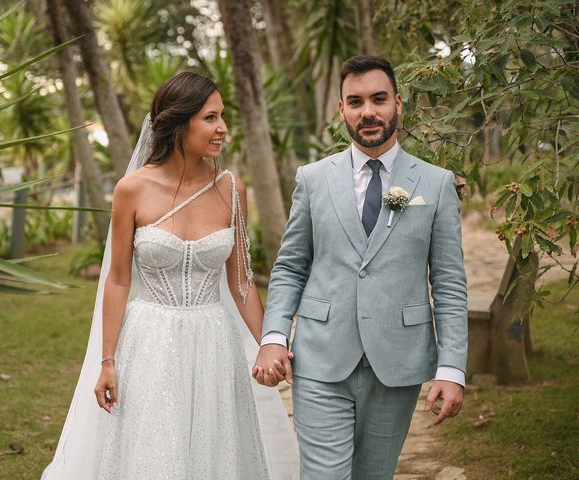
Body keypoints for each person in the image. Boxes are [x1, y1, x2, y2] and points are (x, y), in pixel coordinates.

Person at [42, 72, 299, 479]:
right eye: (211, 118)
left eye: (223, 117)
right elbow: (118, 280)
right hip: (150, 343)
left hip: (214, 342)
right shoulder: (132, 189)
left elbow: (241, 283)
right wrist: (107, 361)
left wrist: (271, 344)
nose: (223, 129)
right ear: (180, 123)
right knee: (157, 454)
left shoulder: (232, 189)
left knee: (213, 453)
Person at [253, 55, 468, 479]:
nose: (367, 111)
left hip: (398, 364)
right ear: (342, 110)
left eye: (378, 99)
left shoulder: (436, 183)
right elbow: (291, 267)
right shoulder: (312, 179)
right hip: (320, 358)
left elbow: (448, 284)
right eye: (355, 102)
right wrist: (274, 337)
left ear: (397, 104)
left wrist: (452, 367)